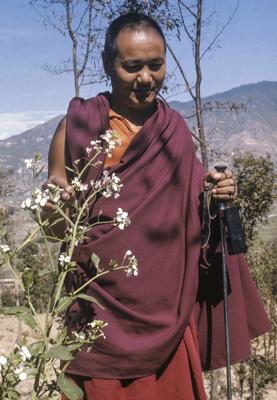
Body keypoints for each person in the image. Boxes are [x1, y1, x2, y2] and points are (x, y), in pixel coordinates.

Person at [42, 13, 270, 400]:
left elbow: (194, 209)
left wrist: (218, 194)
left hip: (166, 318)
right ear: (106, 64)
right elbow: (54, 228)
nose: (145, 78)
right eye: (131, 67)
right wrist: (53, 206)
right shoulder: (78, 126)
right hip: (99, 318)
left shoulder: (174, 132)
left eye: (155, 65)